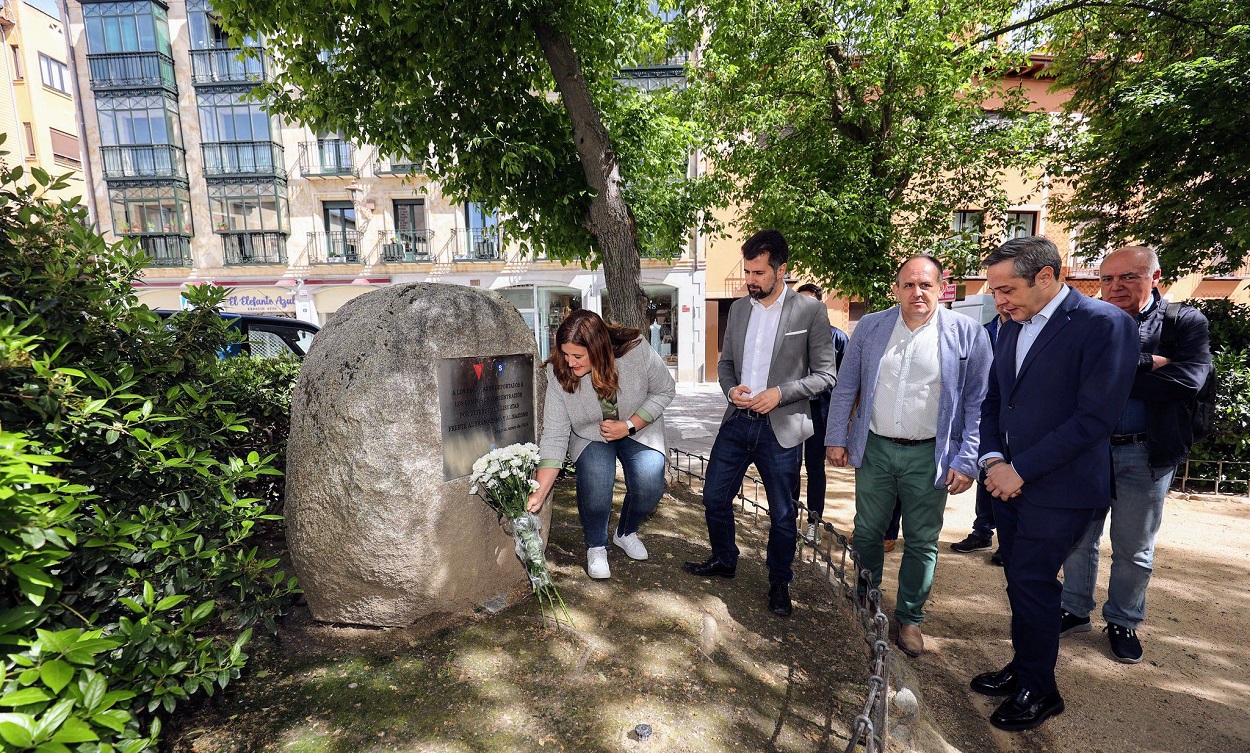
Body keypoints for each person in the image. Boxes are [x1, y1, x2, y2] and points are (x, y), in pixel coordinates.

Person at [971, 236, 1138, 732]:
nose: (998, 300)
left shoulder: (1105, 324)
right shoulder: (1007, 327)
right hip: (1007, 483)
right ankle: (1027, 667)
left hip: (1061, 489)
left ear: (1046, 275)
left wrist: (1019, 470)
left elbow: (1094, 419)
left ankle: (1040, 691)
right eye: (995, 289)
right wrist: (995, 457)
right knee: (1022, 582)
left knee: (1033, 582)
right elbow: (994, 401)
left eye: (1007, 288)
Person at [825, 255, 993, 657]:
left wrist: (966, 459)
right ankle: (866, 597)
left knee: (922, 540)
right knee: (867, 532)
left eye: (926, 285)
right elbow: (846, 387)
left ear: (942, 287)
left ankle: (910, 617)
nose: (917, 293)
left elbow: (978, 403)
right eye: (909, 285)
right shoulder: (871, 326)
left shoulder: (967, 334)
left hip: (929, 453)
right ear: (896, 288)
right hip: (877, 448)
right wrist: (837, 437)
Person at [1059, 246, 1211, 662]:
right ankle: (1074, 609)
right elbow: (1068, 380)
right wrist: (1147, 363)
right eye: (1108, 278)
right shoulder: (1088, 320)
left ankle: (1123, 620)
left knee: (1134, 547)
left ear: (1155, 276)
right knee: (1078, 538)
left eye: (1128, 277)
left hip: (1145, 454)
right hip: (1088, 452)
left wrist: (1112, 375)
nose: (1115, 286)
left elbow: (1188, 381)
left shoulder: (1184, 322)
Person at [683, 230, 836, 617]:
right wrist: (731, 389)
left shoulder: (810, 311)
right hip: (738, 421)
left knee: (783, 513)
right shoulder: (738, 309)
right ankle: (724, 559)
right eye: (747, 271)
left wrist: (780, 393)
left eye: (758, 273)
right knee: (714, 497)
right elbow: (727, 364)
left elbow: (825, 375)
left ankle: (779, 582)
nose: (750, 280)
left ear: (781, 270)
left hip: (781, 428)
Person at [527, 309, 676, 579]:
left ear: (598, 349)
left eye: (578, 356)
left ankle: (625, 532)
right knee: (596, 483)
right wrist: (540, 490)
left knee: (650, 486)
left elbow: (665, 389)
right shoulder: (558, 372)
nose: (570, 362)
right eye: (565, 354)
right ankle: (596, 545)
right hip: (590, 435)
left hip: (637, 427)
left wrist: (629, 425)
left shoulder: (636, 351)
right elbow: (555, 434)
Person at [950, 303, 1011, 565]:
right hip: (987, 415)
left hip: (1017, 419)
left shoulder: (1034, 331)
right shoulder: (984, 332)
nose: (1003, 299)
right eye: (998, 292)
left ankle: (1008, 543)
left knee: (1011, 478)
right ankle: (982, 531)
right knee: (987, 474)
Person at [793, 282, 847, 545]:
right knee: (789, 467)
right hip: (790, 411)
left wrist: (843, 421)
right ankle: (788, 518)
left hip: (820, 412)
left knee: (815, 470)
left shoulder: (837, 337)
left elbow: (847, 384)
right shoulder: (788, 335)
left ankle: (813, 522)